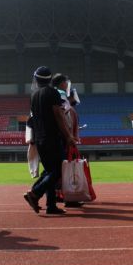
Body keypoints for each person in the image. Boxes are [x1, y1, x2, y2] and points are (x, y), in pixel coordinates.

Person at [23, 67, 77, 215]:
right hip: (52, 137)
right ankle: (35, 193)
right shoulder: (52, 92)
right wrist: (68, 136)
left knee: (48, 170)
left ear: (37, 78)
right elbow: (58, 116)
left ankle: (51, 205)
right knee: (58, 170)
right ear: (49, 78)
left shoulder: (33, 95)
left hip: (40, 138)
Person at [51, 73, 83, 208]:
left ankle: (58, 194)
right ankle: (68, 196)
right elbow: (64, 115)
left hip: (58, 135)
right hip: (64, 136)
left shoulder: (54, 94)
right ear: (61, 83)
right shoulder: (60, 94)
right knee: (66, 166)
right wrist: (69, 135)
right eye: (66, 82)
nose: (67, 84)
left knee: (58, 166)